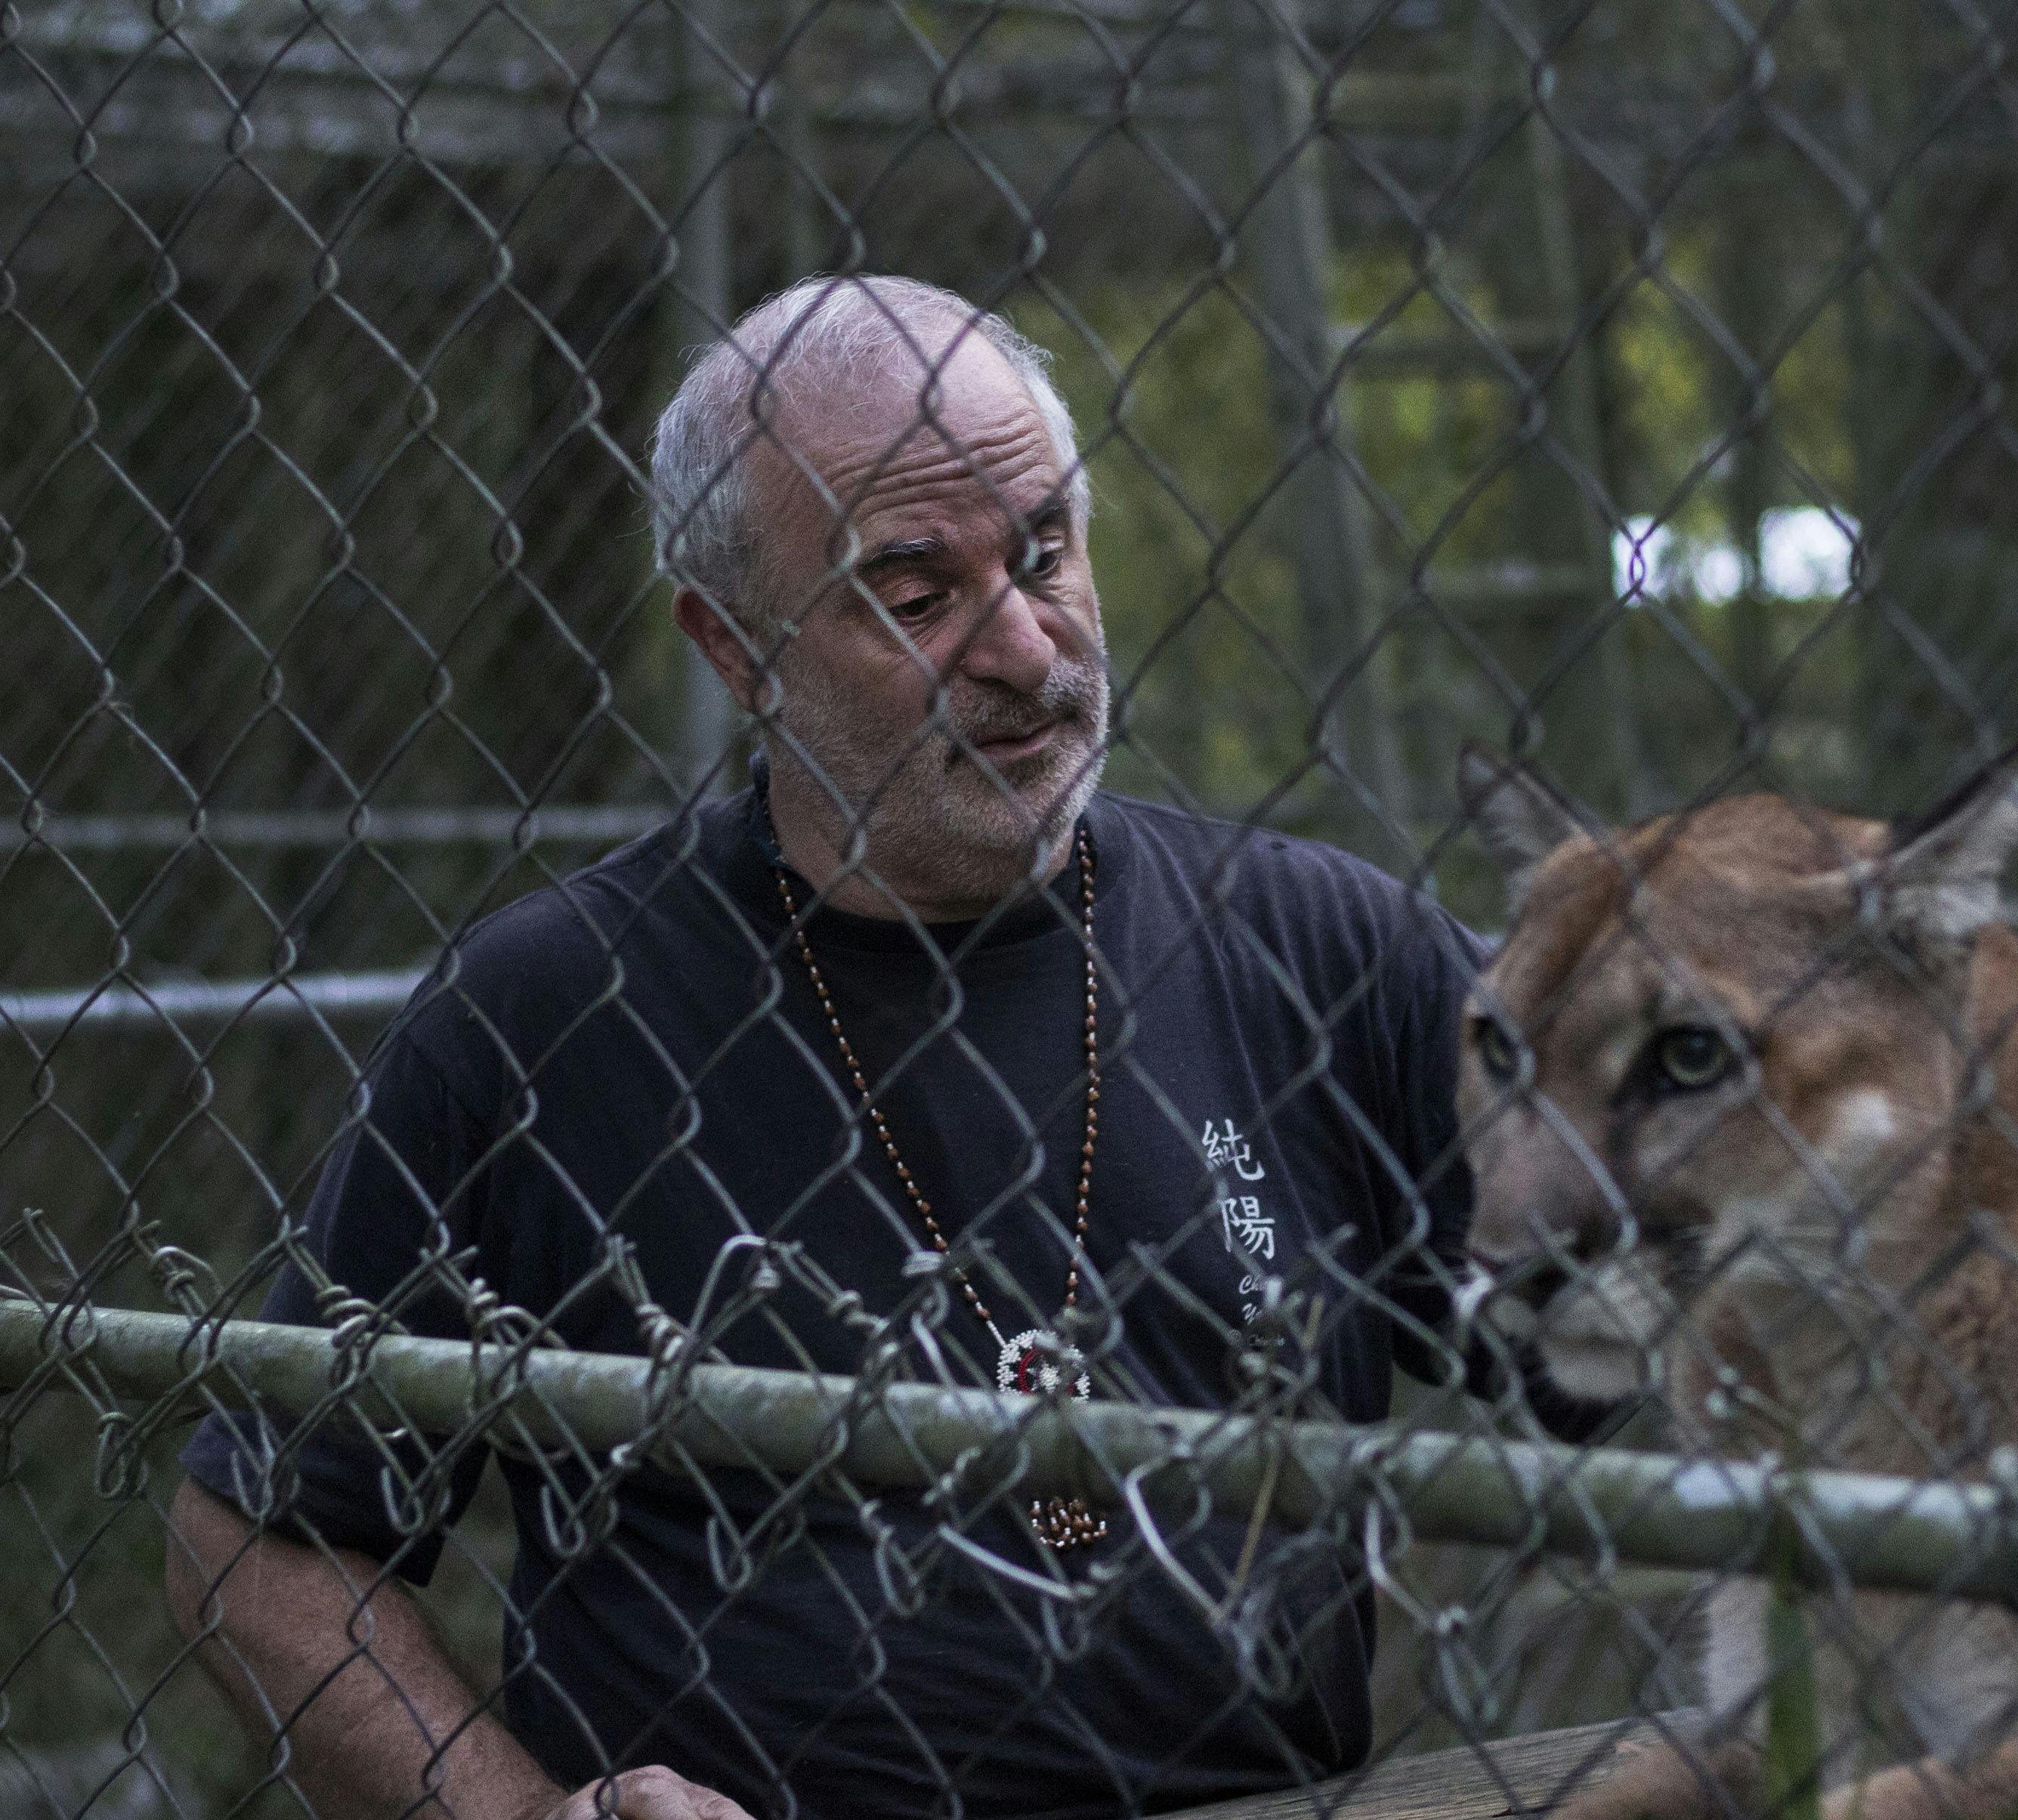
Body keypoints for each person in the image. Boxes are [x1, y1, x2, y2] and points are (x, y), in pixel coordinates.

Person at [165, 276, 1565, 1820]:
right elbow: (260, 1536)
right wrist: (517, 1814)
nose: (1030, 650)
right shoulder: (548, 1007)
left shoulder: (1319, 945)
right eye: (915, 591)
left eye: (1046, 552)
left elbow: (1651, 1332)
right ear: (735, 645)